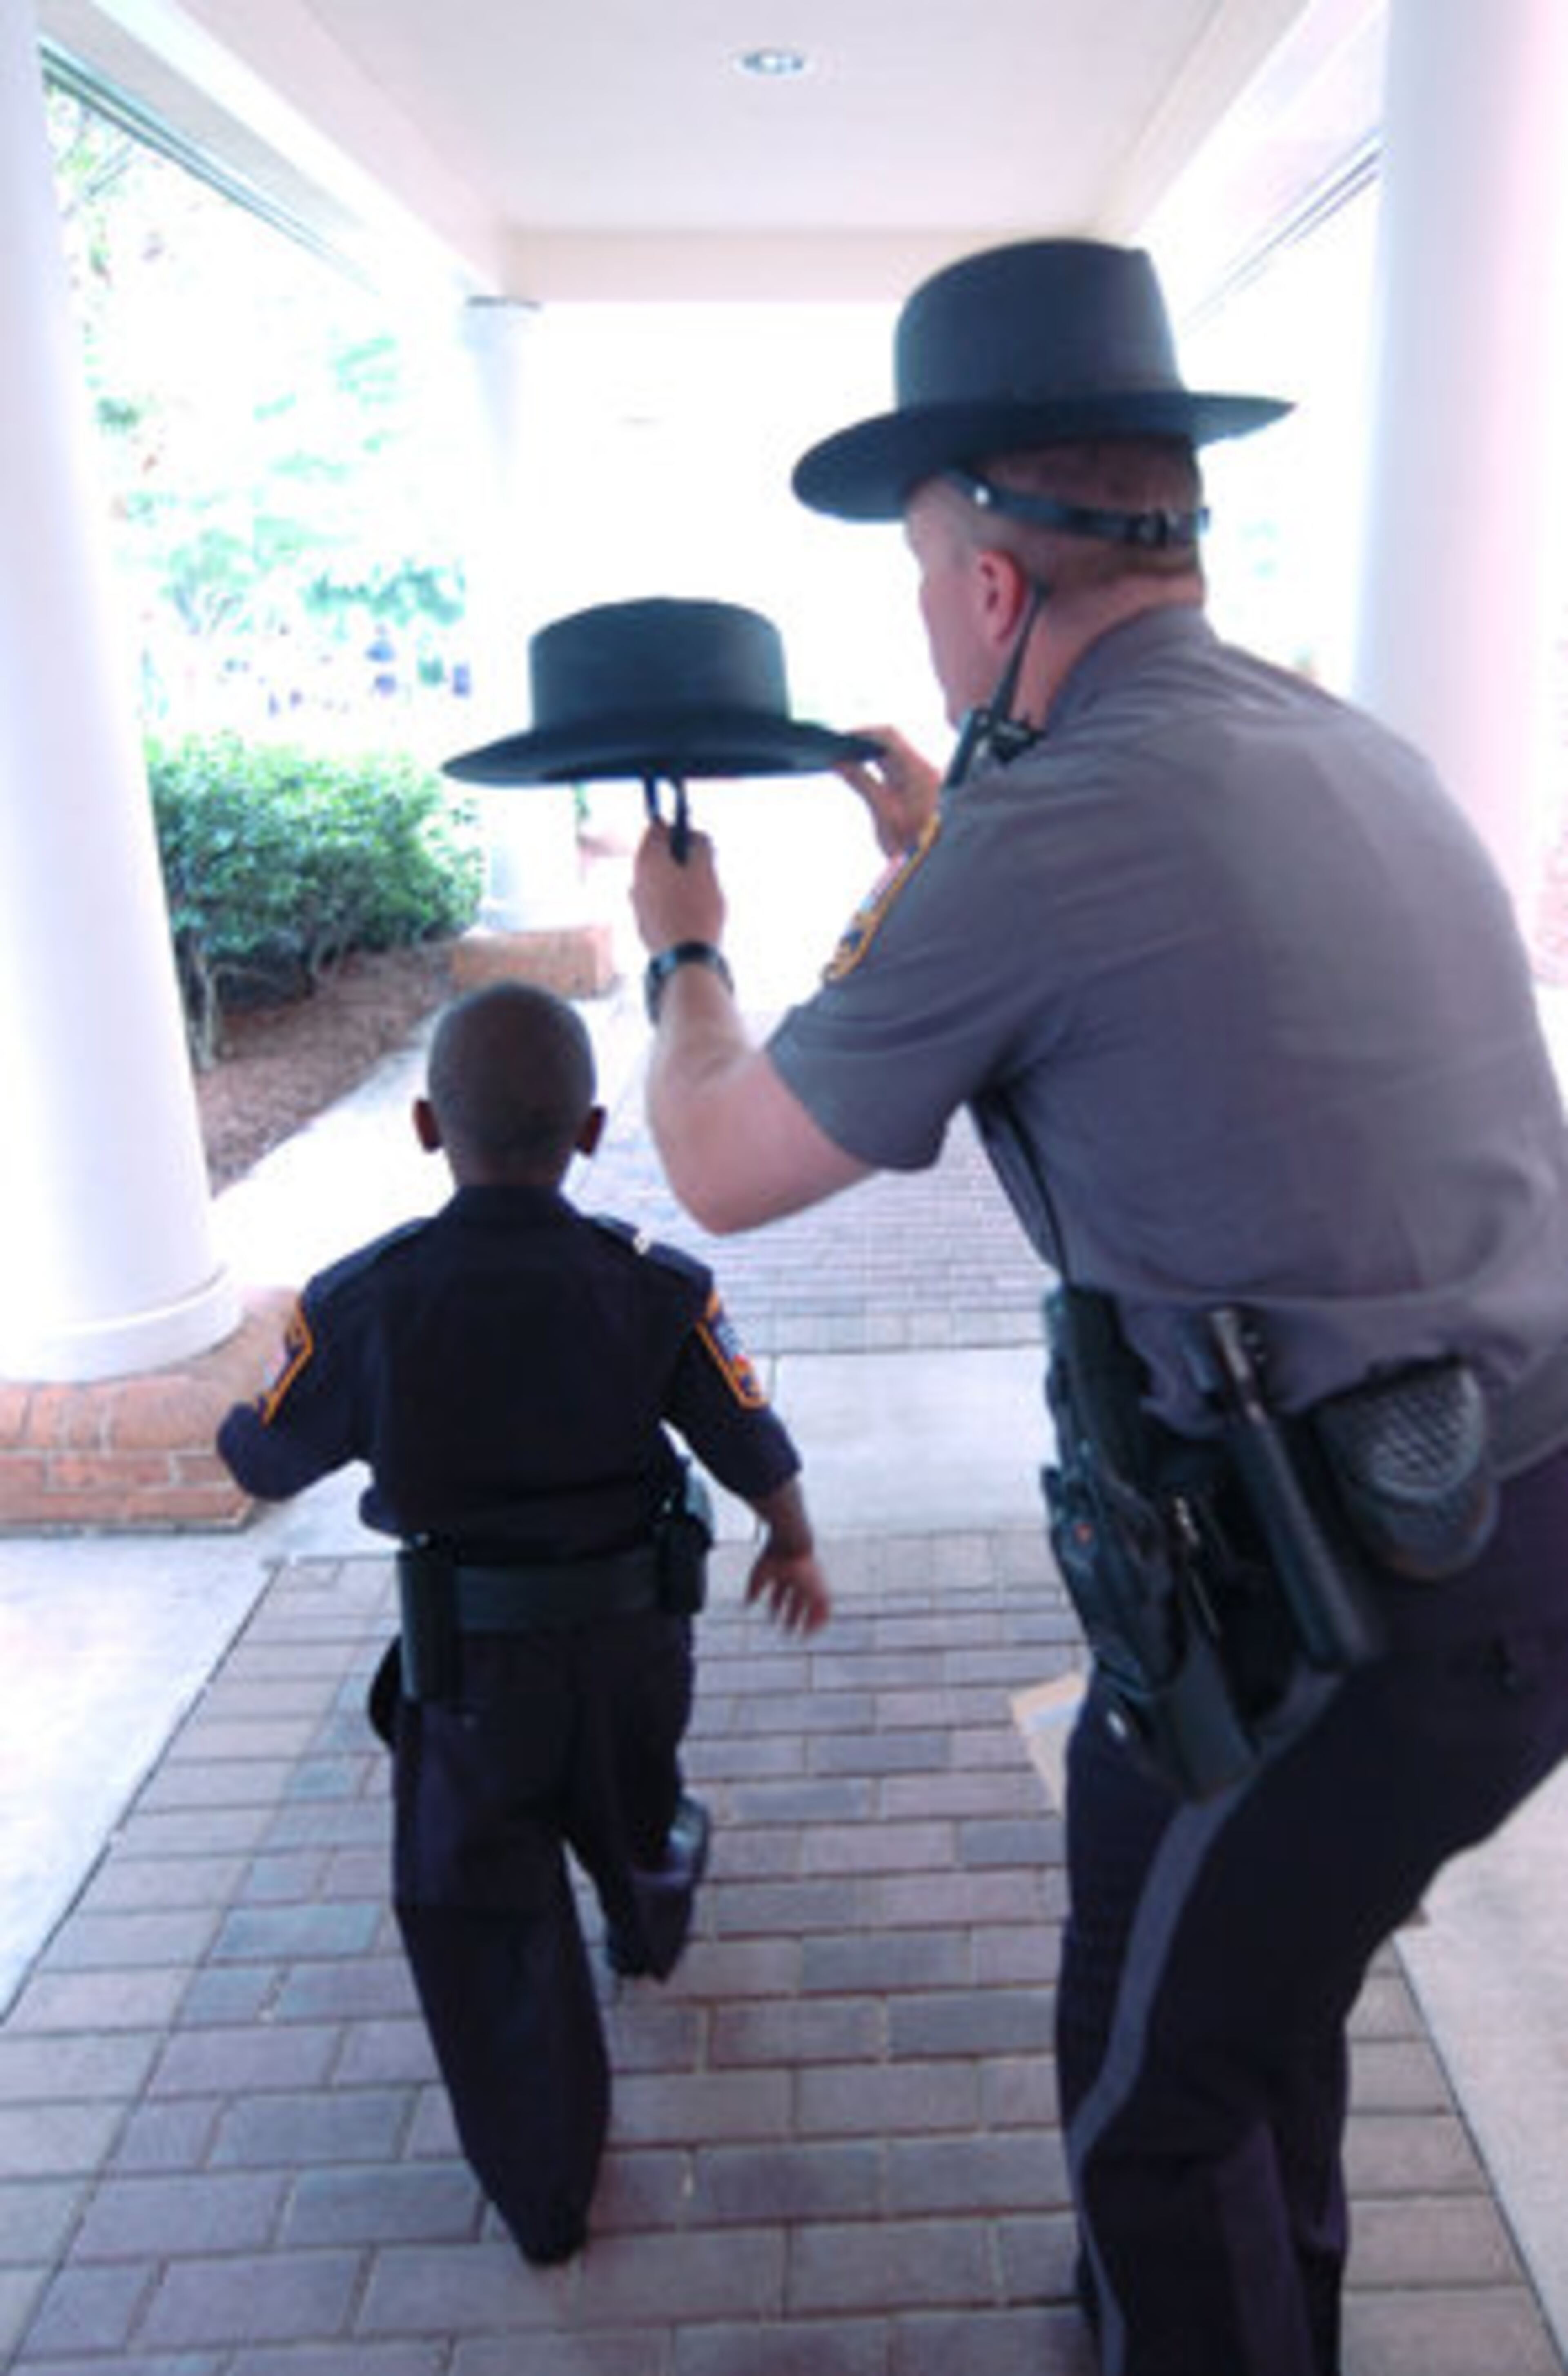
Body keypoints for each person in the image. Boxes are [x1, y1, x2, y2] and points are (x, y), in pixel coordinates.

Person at [628, 237, 1568, 2375]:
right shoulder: (1349, 745)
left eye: (919, 576)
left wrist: (685, 955)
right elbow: (1137, 942)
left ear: (986, 587)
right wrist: (950, 837)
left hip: (1347, 1608)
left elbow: (722, 1163)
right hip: (1472, 1533)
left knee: (1158, 2107)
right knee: (1214, 1985)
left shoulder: (1044, 841)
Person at [216, 980, 830, 2269]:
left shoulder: (365, 1302)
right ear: (592, 1131)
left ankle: (549, 2198)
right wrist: (792, 1538)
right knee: (633, 1801)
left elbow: (262, 1459)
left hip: (470, 1675)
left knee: (483, 1913)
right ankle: (651, 1908)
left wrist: (255, 1387)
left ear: (428, 1124)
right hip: (633, 1646)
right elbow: (745, 1434)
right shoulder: (652, 1286)